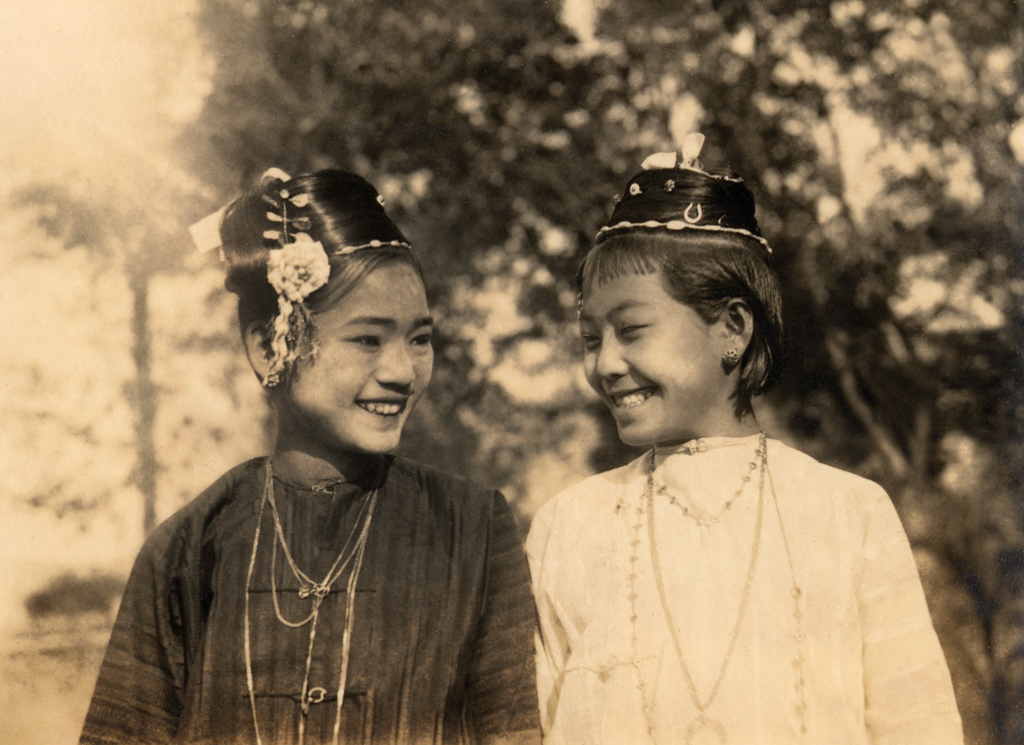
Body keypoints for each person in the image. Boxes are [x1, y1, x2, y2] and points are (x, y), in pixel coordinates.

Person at [526, 135, 963, 744]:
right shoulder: (567, 528)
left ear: (732, 326)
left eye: (632, 330)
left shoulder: (848, 513)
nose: (605, 363)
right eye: (590, 339)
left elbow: (919, 726)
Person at [81, 168, 540, 745]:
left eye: (420, 338)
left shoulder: (470, 530)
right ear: (269, 344)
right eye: (367, 339)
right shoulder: (190, 546)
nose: (402, 372)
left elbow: (515, 732)